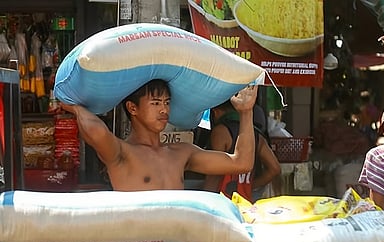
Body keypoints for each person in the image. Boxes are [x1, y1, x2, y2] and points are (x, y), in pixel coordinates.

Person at [59, 79, 258, 191]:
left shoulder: (181, 153)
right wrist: (75, 108)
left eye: (167, 102)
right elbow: (97, 132)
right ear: (132, 108)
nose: (164, 110)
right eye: (155, 103)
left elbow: (241, 163)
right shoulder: (122, 153)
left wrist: (246, 111)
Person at [203, 100, 281, 202]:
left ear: (215, 112)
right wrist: (250, 185)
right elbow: (275, 169)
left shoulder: (220, 132)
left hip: (223, 202)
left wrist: (207, 199)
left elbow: (214, 172)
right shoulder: (256, 135)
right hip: (246, 202)